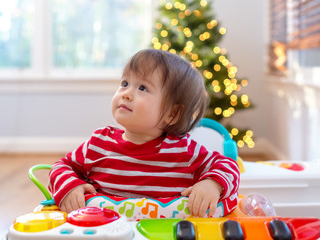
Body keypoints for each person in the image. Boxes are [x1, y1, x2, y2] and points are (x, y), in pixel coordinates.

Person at [49, 49, 240, 217]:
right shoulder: (98, 143)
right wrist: (70, 186)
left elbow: (229, 166)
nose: (126, 93)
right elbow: (61, 167)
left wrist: (212, 184)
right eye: (124, 83)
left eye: (142, 88)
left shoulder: (184, 151)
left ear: (172, 114)